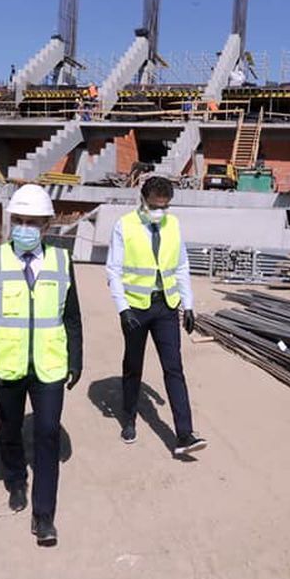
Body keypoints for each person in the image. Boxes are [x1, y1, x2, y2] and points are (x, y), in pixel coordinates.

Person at [0, 184, 82, 546]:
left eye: (33, 222)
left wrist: (75, 359)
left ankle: (43, 515)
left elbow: (72, 316)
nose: (24, 228)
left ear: (47, 225)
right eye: (19, 220)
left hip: (49, 365)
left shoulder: (62, 261)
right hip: (5, 365)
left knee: (47, 433)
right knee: (10, 428)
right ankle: (16, 479)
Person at [105, 176, 206, 457]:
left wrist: (188, 305)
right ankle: (128, 418)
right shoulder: (125, 225)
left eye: (164, 206)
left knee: (174, 368)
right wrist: (122, 308)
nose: (159, 211)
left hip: (166, 306)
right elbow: (113, 270)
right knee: (133, 366)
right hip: (136, 309)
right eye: (154, 206)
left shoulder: (173, 225)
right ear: (143, 200)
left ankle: (184, 434)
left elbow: (181, 266)